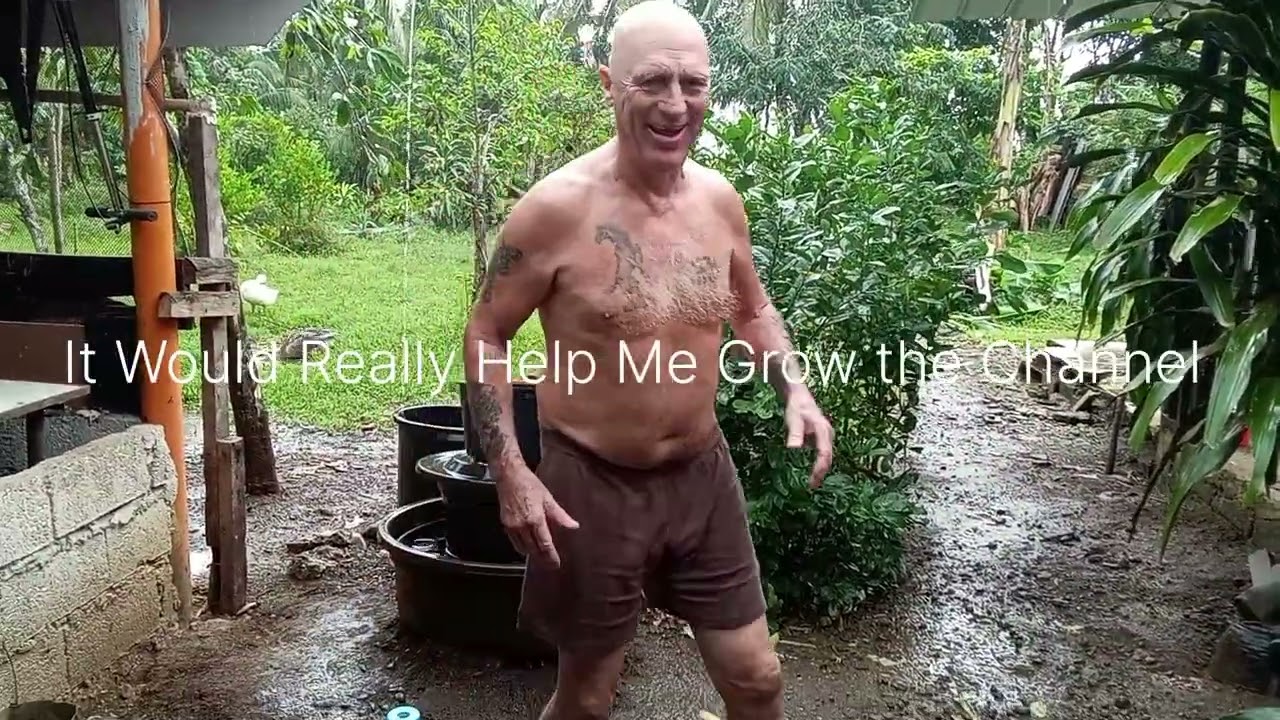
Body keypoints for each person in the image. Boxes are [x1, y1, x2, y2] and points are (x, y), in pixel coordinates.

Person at [461, 1, 833, 718]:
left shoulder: (720, 202)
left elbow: (750, 309)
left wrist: (796, 390)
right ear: (608, 84)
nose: (674, 105)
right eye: (652, 82)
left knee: (757, 680)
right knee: (589, 699)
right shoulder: (555, 211)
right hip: (590, 484)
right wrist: (509, 470)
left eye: (693, 84)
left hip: (701, 476)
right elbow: (487, 333)